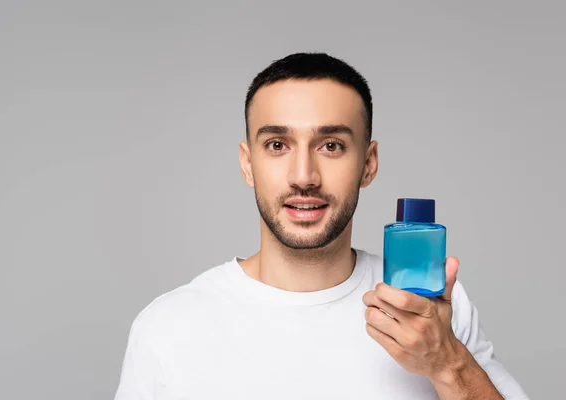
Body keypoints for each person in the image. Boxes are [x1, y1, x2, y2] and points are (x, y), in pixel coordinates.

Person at [114, 52, 528, 399]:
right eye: (277, 145)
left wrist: (448, 363)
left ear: (368, 164)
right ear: (247, 163)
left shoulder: (430, 312)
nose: (303, 175)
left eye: (331, 146)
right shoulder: (167, 326)